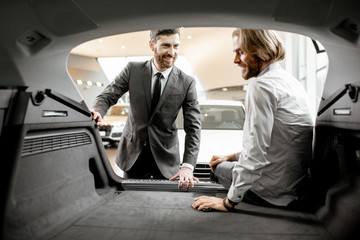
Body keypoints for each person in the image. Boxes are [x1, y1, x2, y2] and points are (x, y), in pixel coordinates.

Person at [192, 29, 314, 211]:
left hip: (269, 194)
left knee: (218, 168)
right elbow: (275, 143)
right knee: (227, 161)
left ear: (260, 50)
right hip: (295, 189)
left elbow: (255, 153)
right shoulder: (291, 82)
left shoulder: (261, 86)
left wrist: (228, 202)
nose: (235, 60)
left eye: (240, 52)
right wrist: (231, 156)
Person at [91, 28, 201, 190]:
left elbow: (194, 128)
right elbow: (107, 96)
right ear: (152, 45)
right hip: (132, 156)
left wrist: (187, 166)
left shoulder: (187, 82)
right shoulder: (132, 70)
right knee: (130, 204)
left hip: (166, 160)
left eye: (176, 46)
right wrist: (97, 111)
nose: (172, 52)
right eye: (166, 46)